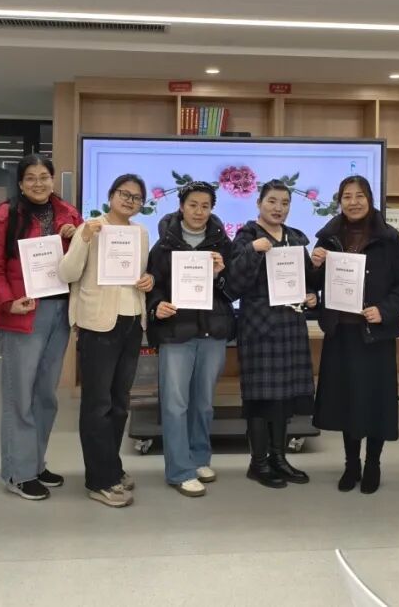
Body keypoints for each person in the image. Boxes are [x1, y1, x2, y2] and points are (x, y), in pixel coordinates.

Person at [0, 155, 82, 501]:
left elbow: (81, 260)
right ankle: (17, 472)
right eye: (31, 178)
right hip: (23, 312)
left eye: (44, 177)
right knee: (19, 396)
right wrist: (7, 302)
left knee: (45, 395)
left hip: (59, 310)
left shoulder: (69, 214)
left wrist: (77, 239)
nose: (38, 183)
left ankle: (36, 463)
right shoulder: (5, 216)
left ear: (53, 180)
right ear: (21, 184)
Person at [310, 175, 399, 494]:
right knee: (347, 401)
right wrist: (315, 266)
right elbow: (313, 285)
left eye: (359, 196)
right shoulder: (328, 237)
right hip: (341, 331)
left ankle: (373, 463)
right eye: (347, 196)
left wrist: (384, 310)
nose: (353, 202)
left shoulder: (390, 238)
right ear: (339, 201)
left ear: (370, 198)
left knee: (375, 402)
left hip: (375, 334)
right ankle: (351, 463)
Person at [58, 174, 154, 508]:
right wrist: (83, 238)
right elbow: (67, 273)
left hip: (131, 322)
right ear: (111, 195)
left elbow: (140, 273)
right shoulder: (91, 228)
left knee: (119, 402)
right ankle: (99, 480)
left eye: (136, 198)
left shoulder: (141, 233)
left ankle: (110, 467)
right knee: (97, 404)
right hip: (98, 324)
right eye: (124, 194)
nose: (129, 201)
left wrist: (148, 280)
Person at [146, 181, 235, 497]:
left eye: (205, 206)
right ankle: (179, 471)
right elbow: (153, 286)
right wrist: (157, 306)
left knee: (203, 403)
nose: (199, 211)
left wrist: (222, 275)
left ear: (212, 209)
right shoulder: (163, 246)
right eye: (193, 205)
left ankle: (199, 458)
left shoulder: (223, 245)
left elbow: (234, 289)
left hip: (213, 332)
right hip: (176, 333)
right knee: (175, 404)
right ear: (181, 206)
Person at [230, 179, 318, 488]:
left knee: (283, 398)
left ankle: (279, 458)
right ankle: (258, 463)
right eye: (272, 201)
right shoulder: (246, 236)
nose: (278, 208)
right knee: (260, 397)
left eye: (284, 203)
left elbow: (308, 280)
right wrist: (252, 252)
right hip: (259, 327)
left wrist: (312, 296)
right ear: (259, 203)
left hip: (290, 326)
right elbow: (233, 284)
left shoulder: (295, 238)